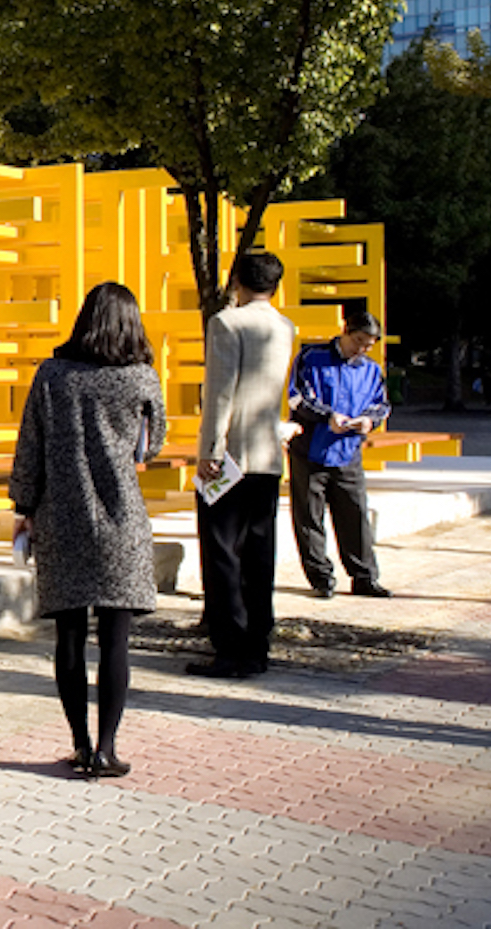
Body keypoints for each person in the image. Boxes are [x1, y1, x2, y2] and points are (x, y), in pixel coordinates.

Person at [8, 281, 169, 779]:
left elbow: (29, 444)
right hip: (122, 521)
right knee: (116, 642)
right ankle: (107, 748)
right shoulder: (141, 377)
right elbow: (153, 445)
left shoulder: (52, 375)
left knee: (69, 636)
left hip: (63, 517)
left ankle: (77, 744)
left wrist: (23, 506)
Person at [189, 251, 297, 679]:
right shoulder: (286, 327)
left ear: (236, 281)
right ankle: (258, 642)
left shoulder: (226, 323)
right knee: (258, 552)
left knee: (221, 553)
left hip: (231, 454)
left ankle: (230, 647)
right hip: (268, 453)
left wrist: (210, 451)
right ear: (276, 284)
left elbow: (220, 392)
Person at [287, 309, 394, 600]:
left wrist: (369, 421)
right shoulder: (311, 357)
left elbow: (381, 404)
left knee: (356, 514)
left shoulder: (370, 369)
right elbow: (297, 396)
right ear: (345, 331)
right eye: (358, 340)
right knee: (309, 516)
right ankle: (321, 577)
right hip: (310, 448)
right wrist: (326, 416)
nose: (360, 349)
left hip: (348, 451)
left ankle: (364, 576)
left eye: (368, 345)